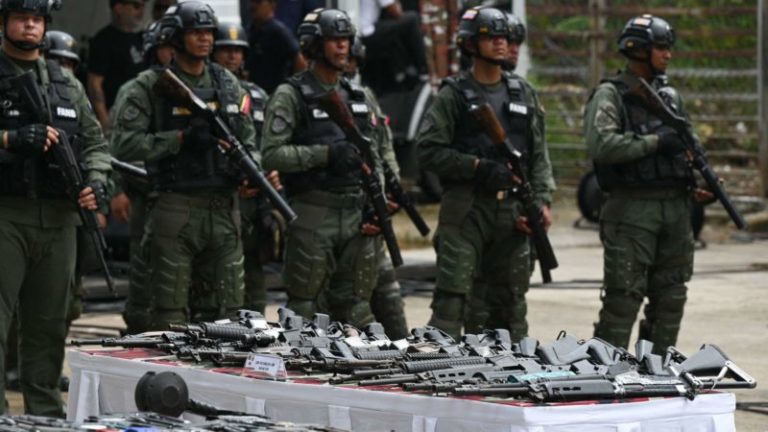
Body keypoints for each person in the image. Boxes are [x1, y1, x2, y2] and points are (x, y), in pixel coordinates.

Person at [110, 1, 256, 329]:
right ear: (175, 37)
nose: (204, 39)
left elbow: (249, 140)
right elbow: (123, 145)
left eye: (208, 32)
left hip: (223, 207)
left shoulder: (228, 84)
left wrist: (249, 170)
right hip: (175, 205)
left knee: (226, 311)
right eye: (195, 32)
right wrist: (179, 139)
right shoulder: (146, 87)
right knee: (169, 311)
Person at [0, 0, 111, 416]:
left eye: (37, 19)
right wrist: (10, 140)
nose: (30, 24)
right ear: (5, 22)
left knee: (49, 326)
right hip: (7, 213)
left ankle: (44, 414)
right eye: (20, 17)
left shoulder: (67, 83)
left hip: (60, 219)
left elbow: (97, 145)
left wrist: (97, 184)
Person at [417, 6, 554, 340]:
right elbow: (428, 150)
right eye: (491, 37)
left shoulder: (523, 92)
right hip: (467, 209)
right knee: (453, 302)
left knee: (509, 306)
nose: (501, 44)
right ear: (470, 44)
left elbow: (539, 156)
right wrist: (476, 167)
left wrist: (542, 201)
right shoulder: (454, 95)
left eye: (504, 37)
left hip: (512, 211)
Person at [586, 15, 712, 355]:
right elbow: (603, 146)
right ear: (638, 49)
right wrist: (655, 142)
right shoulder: (611, 95)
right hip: (631, 210)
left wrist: (700, 182)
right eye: (660, 47)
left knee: (671, 295)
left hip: (674, 208)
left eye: (669, 47)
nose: (668, 54)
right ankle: (601, 375)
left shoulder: (670, 97)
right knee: (623, 298)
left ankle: (657, 372)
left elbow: (689, 147)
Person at [262, 9, 380, 327]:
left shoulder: (360, 96)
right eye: (333, 40)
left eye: (346, 40)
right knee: (304, 308)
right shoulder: (291, 95)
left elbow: (377, 152)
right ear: (314, 45)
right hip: (314, 210)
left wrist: (378, 202)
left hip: (356, 213)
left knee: (355, 309)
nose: (342, 47)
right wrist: (325, 154)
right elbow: (271, 154)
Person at [212, 21, 281, 314]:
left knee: (254, 270)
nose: (231, 57)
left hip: (256, 194)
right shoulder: (209, 91)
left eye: (237, 51)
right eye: (225, 50)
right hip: (224, 192)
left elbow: (267, 142)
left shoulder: (257, 96)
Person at [343, 37, 408, 339]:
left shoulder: (364, 97)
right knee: (354, 308)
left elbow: (384, 147)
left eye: (352, 61)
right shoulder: (304, 94)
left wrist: (390, 189)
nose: (347, 66)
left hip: (374, 214)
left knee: (390, 298)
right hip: (342, 215)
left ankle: (403, 351)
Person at [110, 19, 172, 334]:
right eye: (166, 46)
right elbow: (120, 148)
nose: (172, 53)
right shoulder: (138, 90)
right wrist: (118, 190)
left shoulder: (210, 85)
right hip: (146, 194)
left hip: (188, 196)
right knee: (144, 277)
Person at [87, 0, 146, 130]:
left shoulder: (139, 39)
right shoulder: (104, 40)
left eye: (143, 6)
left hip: (137, 119)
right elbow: (94, 84)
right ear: (119, 8)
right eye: (136, 6)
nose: (141, 11)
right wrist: (105, 121)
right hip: (115, 119)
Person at [359, 0, 428, 90]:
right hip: (366, 33)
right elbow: (396, 12)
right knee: (412, 19)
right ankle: (424, 70)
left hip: (364, 30)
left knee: (393, 29)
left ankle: (401, 71)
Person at [245, 0, 307, 94]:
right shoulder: (251, 30)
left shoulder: (278, 31)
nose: (253, 6)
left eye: (258, 2)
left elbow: (300, 61)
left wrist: (294, 89)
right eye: (252, 2)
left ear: (272, 5)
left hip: (275, 93)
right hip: (255, 93)